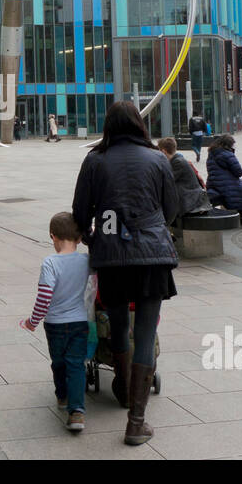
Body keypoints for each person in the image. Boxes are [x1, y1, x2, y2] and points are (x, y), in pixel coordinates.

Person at [71, 100, 178, 446]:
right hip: (152, 256)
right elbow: (171, 209)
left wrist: (93, 237)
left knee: (118, 325)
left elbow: (78, 210)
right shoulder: (158, 159)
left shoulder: (94, 160)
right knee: (145, 332)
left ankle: (122, 387)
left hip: (112, 255)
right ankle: (137, 422)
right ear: (138, 124)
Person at [19, 212, 92, 432]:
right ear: (79, 238)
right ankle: (77, 412)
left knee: (58, 362)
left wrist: (32, 321)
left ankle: (62, 396)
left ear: (53, 236)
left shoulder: (50, 262)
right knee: (76, 364)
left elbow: (44, 297)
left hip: (55, 324)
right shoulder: (87, 260)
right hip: (80, 322)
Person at [205, 134, 242, 227]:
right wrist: (232, 154)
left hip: (213, 184)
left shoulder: (212, 153)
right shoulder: (227, 154)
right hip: (225, 185)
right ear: (228, 144)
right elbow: (239, 172)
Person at [157, 137, 213, 217]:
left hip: (189, 200)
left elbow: (165, 181)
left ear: (163, 151)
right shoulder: (176, 160)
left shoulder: (177, 162)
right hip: (189, 197)